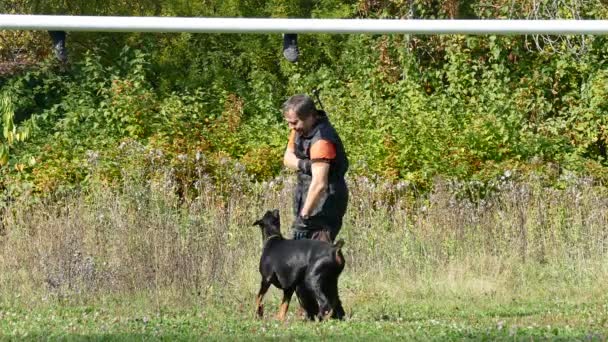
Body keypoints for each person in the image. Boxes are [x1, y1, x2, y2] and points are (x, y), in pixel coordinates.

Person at [282, 94, 348, 241]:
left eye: (294, 123)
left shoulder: (322, 140)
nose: (291, 127)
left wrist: (303, 218)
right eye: (289, 123)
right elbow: (287, 158)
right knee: (301, 258)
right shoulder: (299, 130)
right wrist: (304, 164)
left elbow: (319, 184)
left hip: (324, 206)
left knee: (317, 257)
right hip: (306, 198)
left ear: (310, 117)